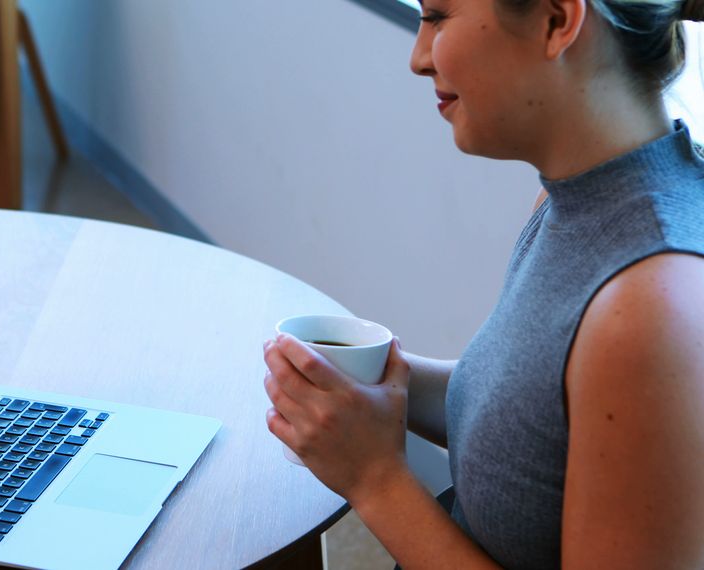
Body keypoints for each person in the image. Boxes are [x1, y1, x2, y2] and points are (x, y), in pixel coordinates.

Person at [262, 0, 704, 567]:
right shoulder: (575, 199)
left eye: (439, 15)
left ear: (556, 19)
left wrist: (375, 480)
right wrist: (361, 380)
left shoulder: (652, 307)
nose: (418, 58)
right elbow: (531, 420)